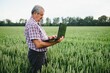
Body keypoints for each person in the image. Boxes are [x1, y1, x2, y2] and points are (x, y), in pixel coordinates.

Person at [24, 5, 64, 73]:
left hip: (38, 54)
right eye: (41, 15)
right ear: (35, 13)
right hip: (37, 55)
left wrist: (50, 38)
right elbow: (38, 45)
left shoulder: (35, 23)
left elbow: (39, 38)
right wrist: (56, 42)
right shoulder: (32, 25)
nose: (42, 17)